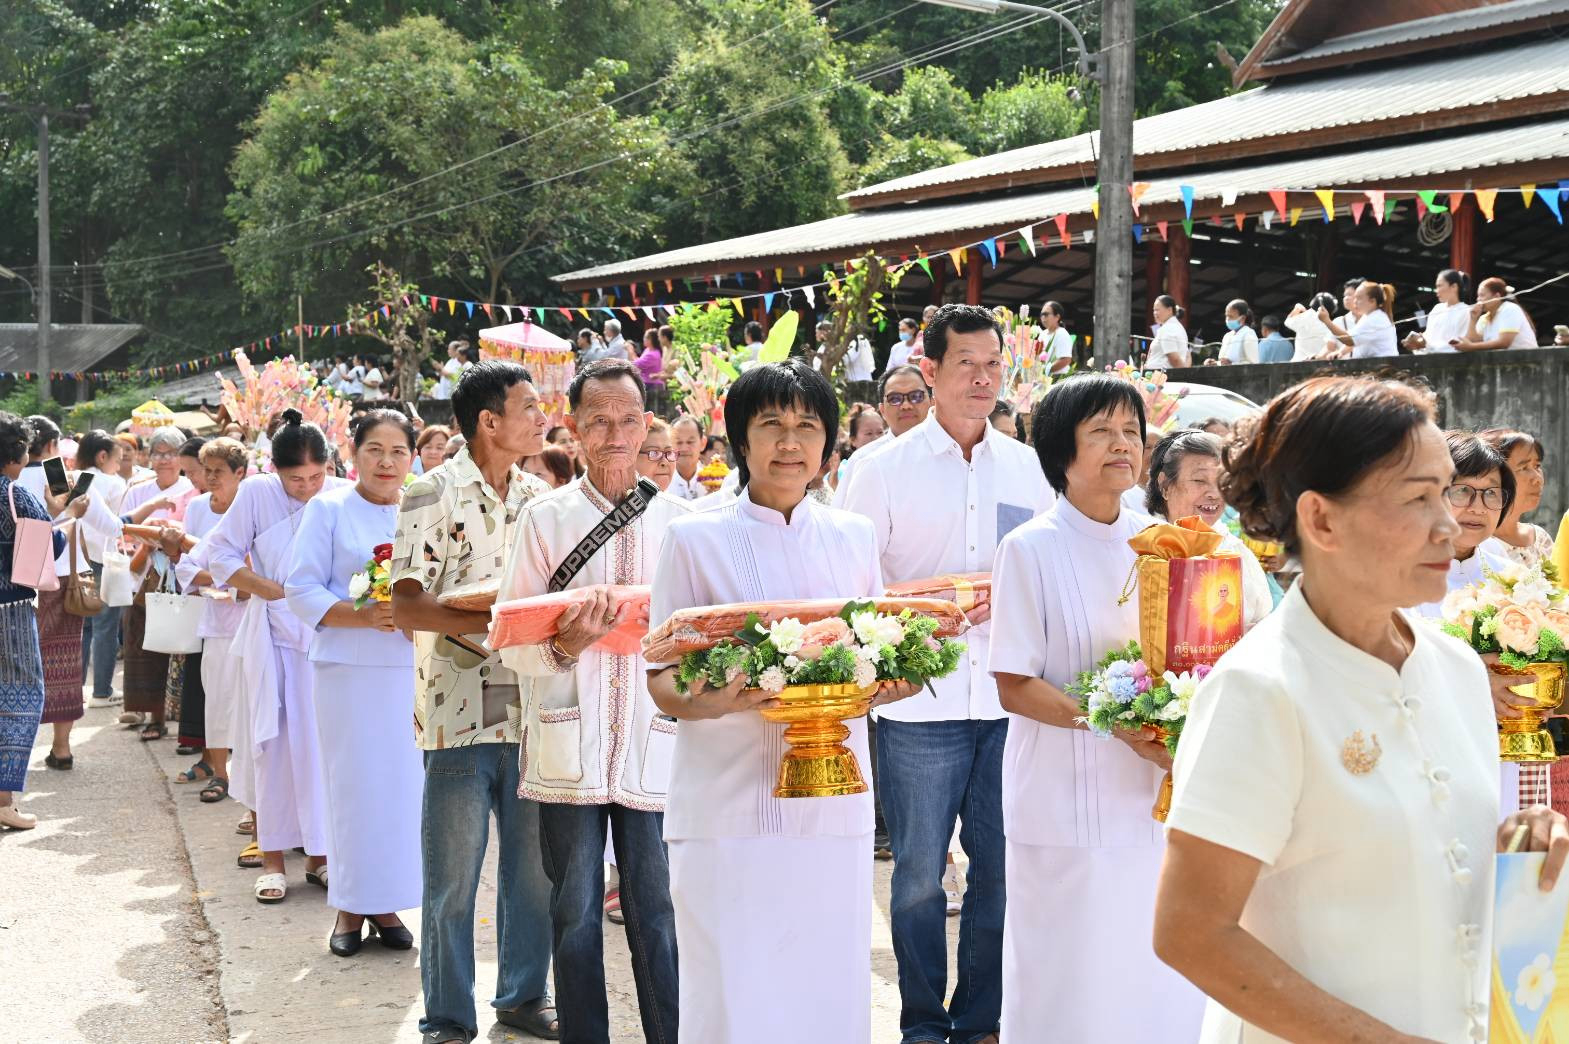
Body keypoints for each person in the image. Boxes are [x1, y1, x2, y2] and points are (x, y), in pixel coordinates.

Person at [1153, 375, 1569, 1044]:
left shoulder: (1457, 669)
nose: (1450, 521)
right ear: (1320, 519)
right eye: (1418, 497)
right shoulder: (1259, 689)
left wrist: (1519, 850)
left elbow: (1420, 857)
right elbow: (1190, 932)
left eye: (1449, 492)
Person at [647, 359, 919, 1042]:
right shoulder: (692, 538)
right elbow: (660, 680)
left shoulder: (853, 536)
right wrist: (730, 695)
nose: (790, 443)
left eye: (807, 426)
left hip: (832, 803)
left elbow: (879, 656)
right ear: (741, 439)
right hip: (725, 803)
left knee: (824, 983)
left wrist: (894, 682)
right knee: (731, 986)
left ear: (829, 445)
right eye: (771, 424)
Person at [843, 304, 1055, 1044]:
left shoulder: (1028, 469)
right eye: (965, 363)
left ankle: (980, 1021)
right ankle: (922, 1022)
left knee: (1000, 875)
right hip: (916, 707)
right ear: (928, 371)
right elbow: (854, 588)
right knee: (915, 882)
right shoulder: (877, 472)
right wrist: (927, 612)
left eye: (992, 364)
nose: (981, 378)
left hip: (1006, 702)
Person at [988, 374, 1204, 1040]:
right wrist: (1112, 724)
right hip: (1062, 795)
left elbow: (1195, 656)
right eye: (1101, 431)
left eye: (1131, 431)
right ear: (1059, 449)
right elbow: (1012, 682)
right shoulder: (1028, 547)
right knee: (1071, 972)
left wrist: (1174, 721)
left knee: (1151, 965)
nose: (1122, 445)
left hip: (1153, 789)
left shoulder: (1167, 544)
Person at [497, 358, 685, 1043]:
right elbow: (510, 640)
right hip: (566, 743)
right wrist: (566, 646)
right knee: (573, 913)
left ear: (646, 426)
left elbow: (701, 641)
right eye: (597, 420)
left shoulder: (681, 523)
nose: (613, 434)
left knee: (658, 911)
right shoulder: (544, 519)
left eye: (627, 419)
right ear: (571, 428)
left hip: (652, 741)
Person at [389, 362, 558, 1040]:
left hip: (529, 711)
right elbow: (406, 605)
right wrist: (493, 618)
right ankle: (447, 1017)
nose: (539, 417)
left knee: (533, 878)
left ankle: (522, 997)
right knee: (452, 883)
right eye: (527, 406)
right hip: (457, 715)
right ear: (489, 422)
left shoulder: (540, 495)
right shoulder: (431, 491)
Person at [286, 409, 421, 955]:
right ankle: (348, 906)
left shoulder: (423, 506)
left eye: (397, 451)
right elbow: (301, 589)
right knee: (351, 788)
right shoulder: (329, 508)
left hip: (410, 671)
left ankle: (385, 902)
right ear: (354, 452)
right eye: (374, 450)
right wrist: (361, 614)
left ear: (411, 457)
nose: (386, 462)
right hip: (346, 668)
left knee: (399, 792)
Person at [207, 410, 341, 902]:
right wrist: (274, 590)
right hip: (273, 639)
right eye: (295, 479)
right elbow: (219, 555)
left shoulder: (340, 494)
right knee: (273, 746)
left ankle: (322, 855)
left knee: (324, 749)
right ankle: (271, 856)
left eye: (315, 476)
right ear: (275, 471)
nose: (306, 487)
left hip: (329, 636)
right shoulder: (257, 493)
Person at [171, 438, 249, 804]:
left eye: (220, 471)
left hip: (256, 620)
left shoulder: (255, 508)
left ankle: (250, 775)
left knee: (252, 704)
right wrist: (231, 582)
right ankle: (220, 773)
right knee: (217, 699)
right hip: (217, 620)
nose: (212, 478)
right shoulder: (201, 508)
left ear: (241, 474)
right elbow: (188, 566)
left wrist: (234, 581)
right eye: (208, 471)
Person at [0, 412, 67, 830]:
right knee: (17, 697)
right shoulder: (14, 493)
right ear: (17, 454)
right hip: (10, 613)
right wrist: (58, 510)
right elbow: (51, 541)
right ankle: (3, 799)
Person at [15, 416, 88, 770]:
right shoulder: (56, 472)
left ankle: (15, 749)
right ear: (51, 446)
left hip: (18, 582)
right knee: (64, 661)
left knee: (17, 665)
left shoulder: (9, 476)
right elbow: (71, 516)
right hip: (57, 576)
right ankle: (61, 748)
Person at [1143, 430, 1273, 626]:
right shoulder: (1143, 545)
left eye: (1221, 481)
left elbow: (1262, 624)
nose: (1214, 493)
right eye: (1199, 480)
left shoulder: (1235, 551)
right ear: (1165, 486)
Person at [117, 427, 194, 738]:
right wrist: (150, 539)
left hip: (181, 574)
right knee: (143, 648)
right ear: (148, 457)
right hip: (143, 574)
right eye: (158, 453)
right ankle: (153, 716)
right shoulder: (139, 490)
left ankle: (182, 718)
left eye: (170, 453)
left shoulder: (192, 488)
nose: (164, 459)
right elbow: (124, 530)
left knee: (180, 648)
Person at [74, 430, 130, 707]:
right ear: (103, 455)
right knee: (105, 627)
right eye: (118, 460)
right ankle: (102, 690)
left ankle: (77, 688)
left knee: (83, 626)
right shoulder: (114, 483)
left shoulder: (77, 479)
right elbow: (118, 524)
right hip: (106, 560)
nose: (119, 466)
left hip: (80, 560)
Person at [831, 365, 931, 507]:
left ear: (932, 402)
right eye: (895, 398)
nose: (906, 405)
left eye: (916, 397)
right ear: (882, 410)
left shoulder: (958, 452)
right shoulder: (862, 460)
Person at [1481, 428, 1553, 566]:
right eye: (1524, 468)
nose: (1537, 478)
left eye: (1537, 466)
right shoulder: (1474, 545)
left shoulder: (1540, 539)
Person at [1321, 281, 1397, 359]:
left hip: (1381, 366)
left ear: (1372, 301)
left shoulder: (1375, 319)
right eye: (1355, 297)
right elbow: (1356, 340)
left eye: (1359, 298)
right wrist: (1341, 352)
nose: (1355, 302)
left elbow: (1349, 340)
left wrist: (1327, 321)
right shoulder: (1368, 317)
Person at [1461, 276, 1538, 350]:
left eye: (1482, 295)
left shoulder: (1510, 309)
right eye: (1478, 296)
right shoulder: (1484, 318)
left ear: (1497, 296)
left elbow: (1504, 342)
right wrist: (1473, 319)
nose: (1478, 299)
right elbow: (1474, 340)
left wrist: (1471, 347)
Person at [1404, 269, 1471, 353]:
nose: (1437, 290)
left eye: (1440, 286)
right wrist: (1418, 342)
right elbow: (1428, 337)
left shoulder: (1466, 311)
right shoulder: (1437, 308)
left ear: (1454, 287)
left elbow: (1457, 345)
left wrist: (1426, 345)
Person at [1286, 292, 1340, 361]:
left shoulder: (1306, 316)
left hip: (1298, 363)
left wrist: (1297, 308)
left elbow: (1287, 322)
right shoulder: (1332, 326)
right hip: (1320, 366)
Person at [667, 415, 707, 501]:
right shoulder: (660, 482)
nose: (684, 448)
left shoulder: (715, 480)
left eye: (690, 442)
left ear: (703, 443)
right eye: (679, 442)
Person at [1146, 295, 1190, 369]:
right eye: (1154, 310)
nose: (1155, 313)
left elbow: (1175, 359)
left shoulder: (1168, 328)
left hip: (1164, 377)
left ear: (1169, 310)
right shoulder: (1176, 326)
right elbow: (1187, 356)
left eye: (1157, 310)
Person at [636, 418, 677, 492]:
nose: (664, 462)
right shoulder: (611, 502)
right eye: (654, 453)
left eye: (669, 452)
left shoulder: (680, 502)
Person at [1217, 299, 1258, 365]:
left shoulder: (1248, 334)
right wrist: (1215, 363)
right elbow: (1223, 361)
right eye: (1226, 316)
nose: (1227, 319)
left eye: (1231, 316)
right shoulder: (1227, 336)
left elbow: (1254, 363)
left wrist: (1232, 364)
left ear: (1243, 318)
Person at [1039, 301, 1073, 374]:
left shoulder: (1061, 333)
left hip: (1058, 379)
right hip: (1043, 378)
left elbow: (1066, 360)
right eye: (1042, 314)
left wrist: (1045, 370)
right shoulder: (1042, 334)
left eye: (1046, 314)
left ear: (1057, 317)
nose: (1043, 317)